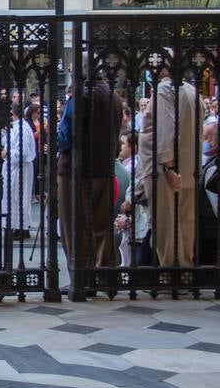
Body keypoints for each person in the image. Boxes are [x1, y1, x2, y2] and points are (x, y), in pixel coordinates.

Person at [57, 64, 125, 275]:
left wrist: (54, 136)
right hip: (104, 168)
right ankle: (101, 273)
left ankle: (80, 275)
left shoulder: (80, 95)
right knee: (101, 225)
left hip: (76, 171)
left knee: (73, 225)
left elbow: (66, 137)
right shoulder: (113, 96)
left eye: (71, 69)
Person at [135, 61, 200, 268]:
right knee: (185, 225)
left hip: (165, 172)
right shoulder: (191, 90)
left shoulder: (164, 90)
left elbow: (165, 130)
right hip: (188, 168)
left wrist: (168, 166)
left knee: (166, 226)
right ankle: (185, 272)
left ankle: (172, 275)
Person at [1, 104, 37, 241]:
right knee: (14, 199)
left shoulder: (21, 128)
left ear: (11, 113)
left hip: (19, 169)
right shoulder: (16, 126)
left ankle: (21, 228)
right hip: (14, 168)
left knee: (19, 198)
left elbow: (23, 152)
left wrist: (7, 153)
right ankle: (16, 226)